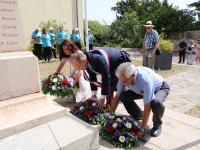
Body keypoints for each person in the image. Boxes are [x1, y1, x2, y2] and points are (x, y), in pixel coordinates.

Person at [110, 62, 170, 138]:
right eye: (121, 80)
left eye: (124, 81)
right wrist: (110, 117)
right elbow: (117, 97)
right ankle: (138, 115)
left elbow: (147, 108)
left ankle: (157, 124)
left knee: (156, 102)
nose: (122, 83)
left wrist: (142, 129)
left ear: (133, 76)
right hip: (139, 89)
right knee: (123, 96)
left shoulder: (145, 80)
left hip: (159, 88)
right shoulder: (123, 77)